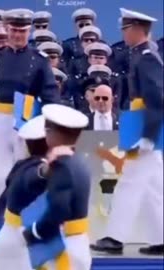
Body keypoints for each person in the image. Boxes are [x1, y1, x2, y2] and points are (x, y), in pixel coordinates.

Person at [0, 8, 59, 225]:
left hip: (27, 118)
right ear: (7, 29)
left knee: (26, 175)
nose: (18, 35)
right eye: (13, 30)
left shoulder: (39, 60)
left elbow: (50, 96)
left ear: (29, 31)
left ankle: (25, 227)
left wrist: (48, 130)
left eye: (22, 31)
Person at [91, 8, 163, 256]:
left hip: (145, 125)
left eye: (124, 28)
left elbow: (157, 101)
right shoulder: (142, 55)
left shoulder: (147, 58)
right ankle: (161, 238)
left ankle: (114, 237)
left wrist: (148, 136)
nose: (123, 33)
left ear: (135, 29)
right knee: (154, 186)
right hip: (140, 122)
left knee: (129, 182)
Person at [0, 115, 72, 269]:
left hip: (14, 241)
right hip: (20, 248)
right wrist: (46, 171)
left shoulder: (20, 165)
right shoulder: (33, 169)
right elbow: (33, 179)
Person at [23, 104, 92, 270]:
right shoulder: (78, 161)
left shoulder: (62, 167)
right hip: (78, 241)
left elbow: (58, 210)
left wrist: (33, 232)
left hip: (64, 247)